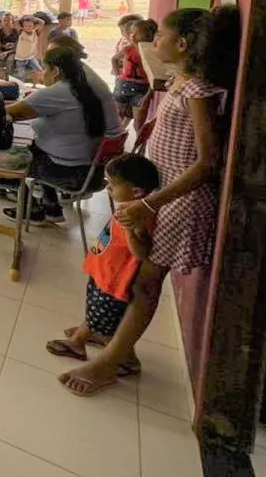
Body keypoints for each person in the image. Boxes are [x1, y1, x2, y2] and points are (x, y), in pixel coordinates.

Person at [58, 7, 238, 397]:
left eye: (161, 37)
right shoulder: (181, 80)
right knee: (135, 274)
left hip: (178, 200)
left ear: (184, 44)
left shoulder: (198, 91)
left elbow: (208, 161)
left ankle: (109, 363)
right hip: (161, 193)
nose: (153, 43)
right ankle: (122, 351)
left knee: (145, 285)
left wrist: (153, 203)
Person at [45, 154, 161, 375]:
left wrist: (129, 229)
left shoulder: (137, 216)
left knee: (110, 321)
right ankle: (84, 335)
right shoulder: (130, 206)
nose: (108, 189)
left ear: (136, 191)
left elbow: (141, 252)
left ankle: (126, 360)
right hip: (104, 270)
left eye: (112, 185)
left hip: (114, 279)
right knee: (96, 309)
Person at [2, 46, 120, 223]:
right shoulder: (84, 88)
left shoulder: (58, 92)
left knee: (5, 158)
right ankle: (51, 207)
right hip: (90, 171)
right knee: (37, 148)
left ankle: (31, 207)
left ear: (55, 71)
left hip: (68, 174)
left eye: (45, 69)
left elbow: (7, 113)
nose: (43, 73)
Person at [115, 19, 157, 128]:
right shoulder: (128, 49)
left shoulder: (151, 53)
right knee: (117, 118)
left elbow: (154, 77)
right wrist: (117, 76)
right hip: (124, 85)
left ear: (148, 35)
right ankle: (118, 143)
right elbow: (114, 59)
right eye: (132, 32)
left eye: (138, 33)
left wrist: (148, 96)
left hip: (142, 88)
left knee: (138, 123)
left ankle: (139, 145)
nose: (132, 36)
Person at [13, 16, 42, 82]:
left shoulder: (36, 33)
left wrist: (33, 17)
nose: (28, 27)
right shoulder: (21, 32)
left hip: (31, 58)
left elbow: (42, 22)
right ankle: (16, 79)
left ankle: (35, 85)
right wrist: (25, 16)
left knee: (39, 70)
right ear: (23, 27)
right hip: (20, 59)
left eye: (30, 25)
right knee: (21, 75)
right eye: (26, 26)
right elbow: (15, 21)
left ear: (34, 26)